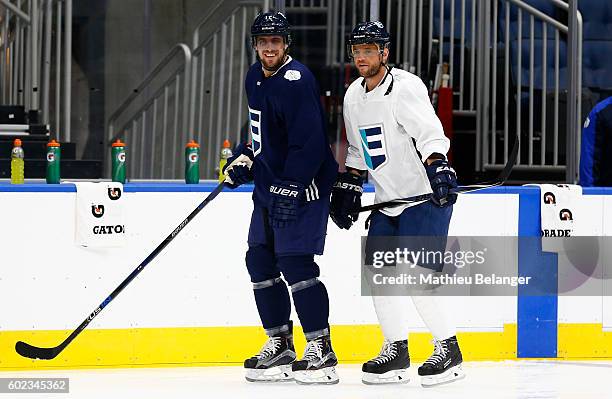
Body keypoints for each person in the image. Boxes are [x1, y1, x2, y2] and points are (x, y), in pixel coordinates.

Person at [330, 21, 465, 387]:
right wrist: (350, 183)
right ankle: (396, 351)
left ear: (385, 52)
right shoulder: (353, 96)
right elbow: (359, 149)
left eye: (369, 49)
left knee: (419, 280)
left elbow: (430, 134)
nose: (361, 56)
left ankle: (448, 350)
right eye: (356, 50)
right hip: (387, 200)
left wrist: (439, 166)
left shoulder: (405, 88)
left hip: (424, 197)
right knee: (380, 279)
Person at [222, 11, 339, 385]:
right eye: (263, 41)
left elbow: (310, 141)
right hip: (269, 187)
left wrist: (291, 184)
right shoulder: (254, 76)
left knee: (295, 263)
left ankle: (322, 349)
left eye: (275, 41)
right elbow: (259, 128)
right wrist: (244, 156)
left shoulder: (296, 79)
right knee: (259, 260)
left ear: (286, 44)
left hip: (302, 187)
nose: (269, 47)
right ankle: (281, 343)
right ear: (255, 45)